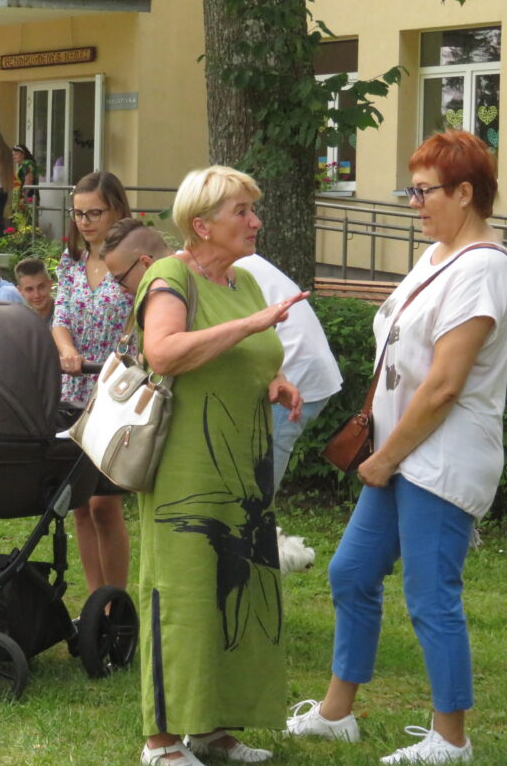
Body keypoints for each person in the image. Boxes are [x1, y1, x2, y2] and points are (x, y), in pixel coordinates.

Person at [286, 130, 507, 765]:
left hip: (440, 458)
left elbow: (445, 385)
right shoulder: (438, 254)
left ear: (464, 193)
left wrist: (385, 458)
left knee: (430, 594)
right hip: (403, 451)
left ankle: (451, 739)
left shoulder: (482, 268)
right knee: (351, 572)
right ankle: (337, 715)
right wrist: (388, 452)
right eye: (410, 191)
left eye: (423, 192)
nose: (413, 204)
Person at [132, 165, 306, 766]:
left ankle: (213, 729)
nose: (255, 221)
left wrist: (276, 381)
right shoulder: (170, 276)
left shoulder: (245, 281)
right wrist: (250, 325)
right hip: (187, 467)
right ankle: (160, 741)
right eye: (242, 212)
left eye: (254, 210)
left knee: (236, 591)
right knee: (184, 596)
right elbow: (164, 352)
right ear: (202, 225)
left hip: (243, 467)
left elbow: (248, 356)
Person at [52, 171, 134, 597]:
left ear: (117, 210)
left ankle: (114, 602)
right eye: (78, 213)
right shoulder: (71, 264)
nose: (84, 222)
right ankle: (93, 598)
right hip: (75, 391)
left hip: (117, 392)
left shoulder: (135, 264)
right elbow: (60, 317)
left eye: (94, 213)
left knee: (105, 504)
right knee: (81, 504)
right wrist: (66, 349)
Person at [233, 253, 342, 494]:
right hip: (297, 367)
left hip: (292, 373)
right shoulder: (233, 258)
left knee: (255, 488)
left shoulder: (213, 266)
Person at [14, 257, 54, 323]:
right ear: (20, 291)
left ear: (50, 284)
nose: (37, 295)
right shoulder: (21, 321)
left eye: (41, 287)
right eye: (29, 289)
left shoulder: (66, 315)